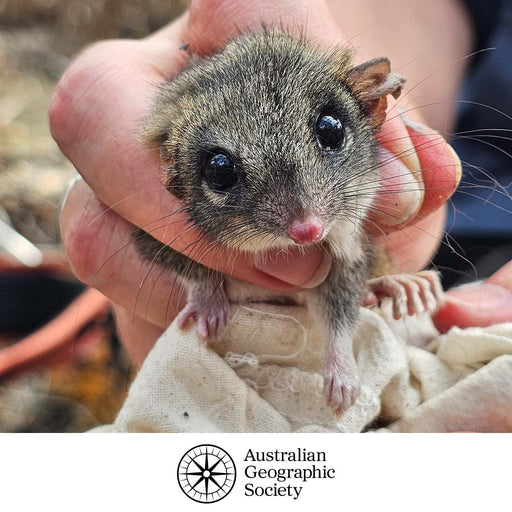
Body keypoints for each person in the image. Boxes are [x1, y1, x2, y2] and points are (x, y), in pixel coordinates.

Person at [51, 0, 512, 366]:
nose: (306, 225)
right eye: (223, 171)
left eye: (328, 133)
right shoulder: (184, 156)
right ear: (175, 175)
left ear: (370, 103)